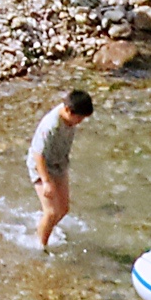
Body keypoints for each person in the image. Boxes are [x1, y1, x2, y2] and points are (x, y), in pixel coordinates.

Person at [28, 88, 94, 250]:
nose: (79, 122)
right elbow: (38, 155)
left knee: (63, 209)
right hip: (41, 167)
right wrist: (46, 181)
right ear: (67, 110)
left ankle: (44, 227)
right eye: (78, 118)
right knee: (51, 212)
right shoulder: (50, 126)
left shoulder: (70, 113)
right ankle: (41, 246)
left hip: (59, 163)